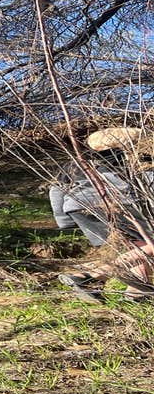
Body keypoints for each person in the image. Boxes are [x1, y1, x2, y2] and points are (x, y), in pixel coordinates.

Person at [52, 127, 154, 302]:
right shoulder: (137, 160)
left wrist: (64, 221)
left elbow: (56, 190)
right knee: (150, 245)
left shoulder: (78, 163)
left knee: (137, 246)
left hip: (78, 207)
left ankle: (138, 292)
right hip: (119, 205)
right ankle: (91, 276)